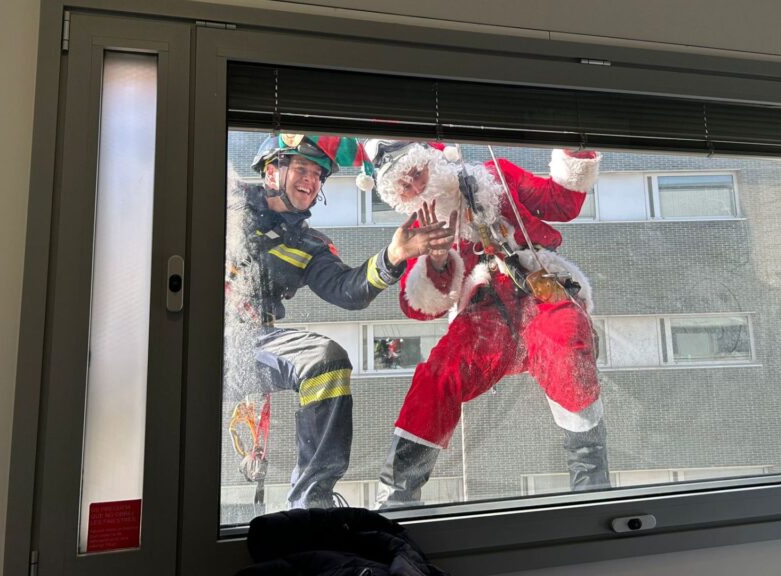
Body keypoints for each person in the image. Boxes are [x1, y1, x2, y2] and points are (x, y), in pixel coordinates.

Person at [363, 139, 610, 508]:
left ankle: (593, 485)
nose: (416, 185)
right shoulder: (420, 229)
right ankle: (397, 496)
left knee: (565, 345)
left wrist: (574, 152)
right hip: (483, 318)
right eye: (405, 186)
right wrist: (437, 261)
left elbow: (560, 202)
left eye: (416, 172)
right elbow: (418, 307)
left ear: (431, 159)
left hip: (539, 290)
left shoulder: (495, 176)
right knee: (436, 377)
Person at [224, 133, 455, 509]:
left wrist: (394, 255)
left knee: (326, 359)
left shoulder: (308, 245)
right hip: (194, 335)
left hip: (249, 344)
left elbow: (348, 290)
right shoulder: (228, 203)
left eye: (318, 175)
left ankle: (312, 505)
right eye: (302, 169)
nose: (311, 180)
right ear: (271, 171)